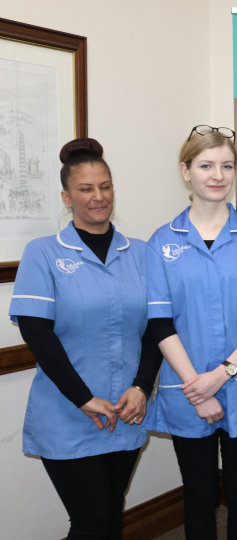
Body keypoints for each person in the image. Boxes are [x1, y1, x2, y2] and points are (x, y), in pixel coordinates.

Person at [144, 126, 237, 540]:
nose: (218, 175)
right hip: (185, 387)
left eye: (226, 166)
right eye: (206, 165)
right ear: (186, 171)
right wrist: (199, 386)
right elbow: (160, 323)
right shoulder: (162, 243)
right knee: (199, 493)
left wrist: (218, 376)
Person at [9, 138, 160, 539]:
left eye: (105, 186)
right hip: (68, 412)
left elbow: (155, 330)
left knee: (112, 514)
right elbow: (36, 333)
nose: (98, 197)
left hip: (127, 408)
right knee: (91, 519)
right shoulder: (42, 253)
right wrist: (83, 398)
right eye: (86, 189)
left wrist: (143, 386)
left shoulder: (142, 254)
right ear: (66, 196)